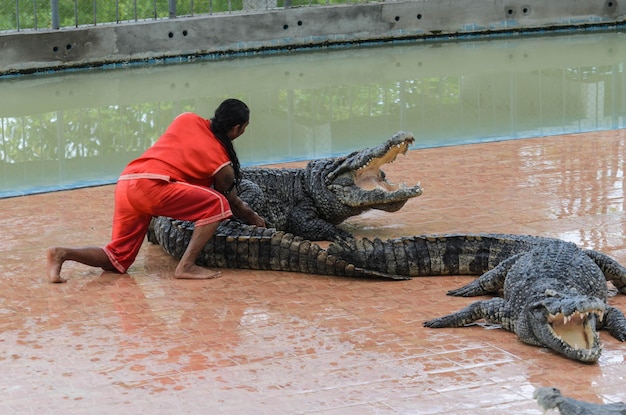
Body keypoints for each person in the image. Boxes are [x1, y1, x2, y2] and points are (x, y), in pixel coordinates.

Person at [46, 98, 266, 283]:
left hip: (128, 181)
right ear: (237, 128)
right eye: (244, 128)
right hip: (152, 186)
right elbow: (233, 202)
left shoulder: (186, 118)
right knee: (218, 203)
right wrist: (253, 217)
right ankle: (186, 266)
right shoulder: (221, 163)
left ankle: (62, 253)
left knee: (117, 259)